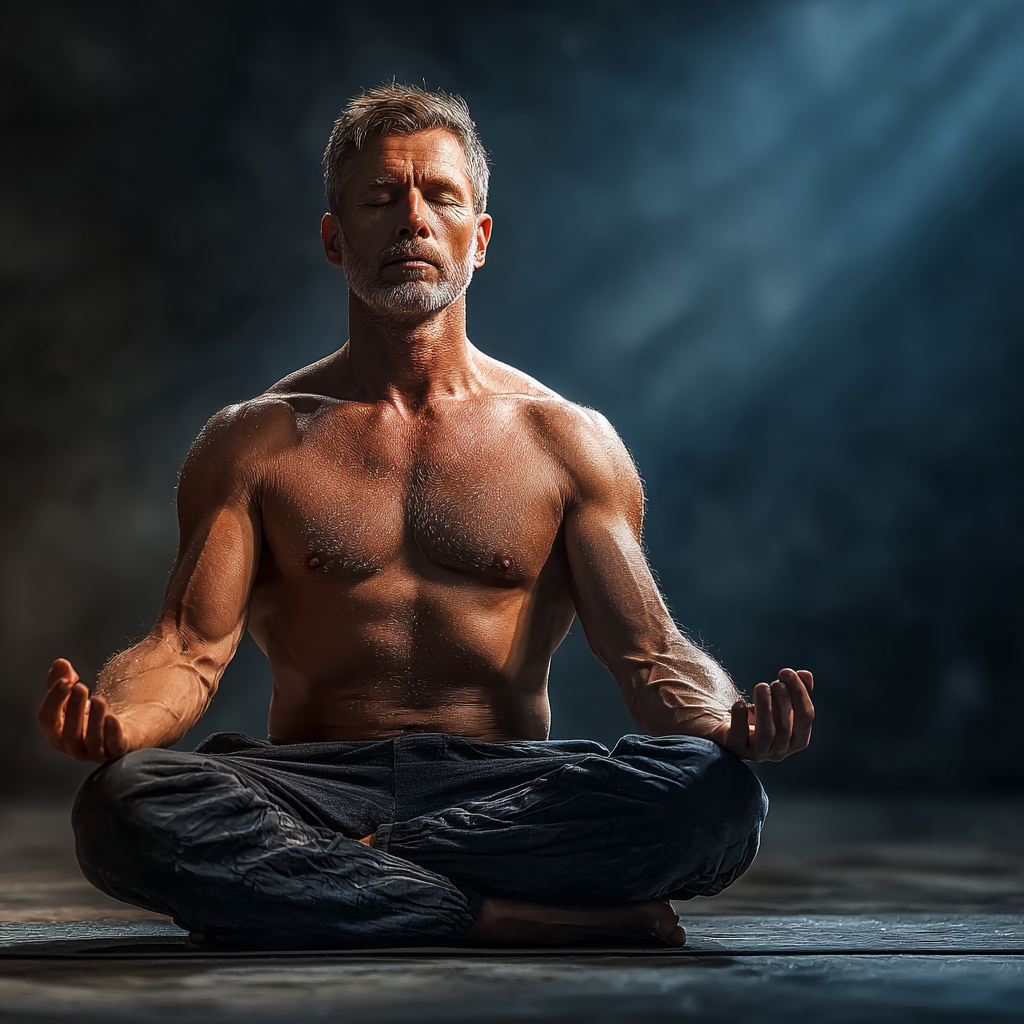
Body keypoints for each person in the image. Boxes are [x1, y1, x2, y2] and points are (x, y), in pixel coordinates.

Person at [37, 84, 814, 950]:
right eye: (380, 199)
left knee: (715, 794)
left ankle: (342, 881)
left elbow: (651, 653)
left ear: (478, 238)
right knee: (125, 803)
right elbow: (186, 648)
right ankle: (499, 915)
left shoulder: (566, 440)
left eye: (441, 196)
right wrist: (122, 721)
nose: (412, 219)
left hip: (507, 789)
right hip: (311, 783)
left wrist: (724, 720)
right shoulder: (253, 440)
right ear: (335, 239)